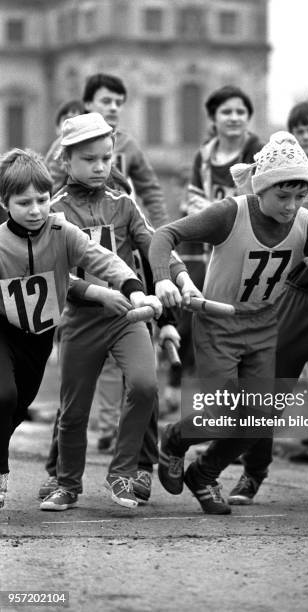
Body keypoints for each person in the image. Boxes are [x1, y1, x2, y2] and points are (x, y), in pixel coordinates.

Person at [148, 131, 308, 516]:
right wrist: (161, 277)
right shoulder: (230, 212)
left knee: (259, 417)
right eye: (282, 196)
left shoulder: (305, 222)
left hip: (263, 326)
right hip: (219, 324)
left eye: (299, 196)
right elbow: (165, 234)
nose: (291, 206)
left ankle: (204, 474)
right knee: (224, 412)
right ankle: (174, 440)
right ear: (261, 189)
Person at [39, 113, 187, 512]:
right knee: (74, 408)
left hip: (129, 319)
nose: (101, 166)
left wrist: (176, 277)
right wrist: (99, 295)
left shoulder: (124, 204)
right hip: (80, 320)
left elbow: (155, 244)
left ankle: (123, 473)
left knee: (145, 386)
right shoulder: (52, 212)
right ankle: (66, 483)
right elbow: (56, 277)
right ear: (66, 161)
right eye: (90, 159)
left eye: (107, 158)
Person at [0, 147, 152, 510]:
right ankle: (3, 474)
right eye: (24, 202)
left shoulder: (60, 230)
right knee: (2, 397)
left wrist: (131, 287)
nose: (36, 210)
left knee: (18, 407)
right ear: (5, 203)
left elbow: (101, 258)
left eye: (42, 200)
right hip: (3, 331)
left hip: (37, 339)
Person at [167, 85, 264, 413]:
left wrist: (224, 212)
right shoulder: (205, 156)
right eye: (227, 112)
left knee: (243, 324)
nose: (234, 118)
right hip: (213, 250)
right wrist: (217, 214)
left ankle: (244, 404)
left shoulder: (257, 150)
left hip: (251, 250)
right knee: (204, 323)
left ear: (249, 117)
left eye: (240, 112)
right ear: (214, 118)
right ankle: (209, 402)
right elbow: (193, 201)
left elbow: (262, 197)